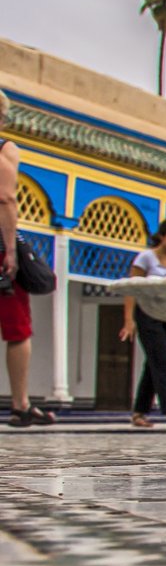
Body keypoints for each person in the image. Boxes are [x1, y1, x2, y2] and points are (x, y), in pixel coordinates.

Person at [0, 93, 55, 427]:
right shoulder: (5, 149)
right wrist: (10, 250)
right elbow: (6, 198)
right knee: (16, 326)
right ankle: (20, 403)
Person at [122, 218, 166, 428]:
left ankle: (139, 412)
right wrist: (129, 320)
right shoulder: (146, 258)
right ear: (162, 236)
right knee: (160, 362)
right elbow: (132, 289)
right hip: (148, 314)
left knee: (154, 363)